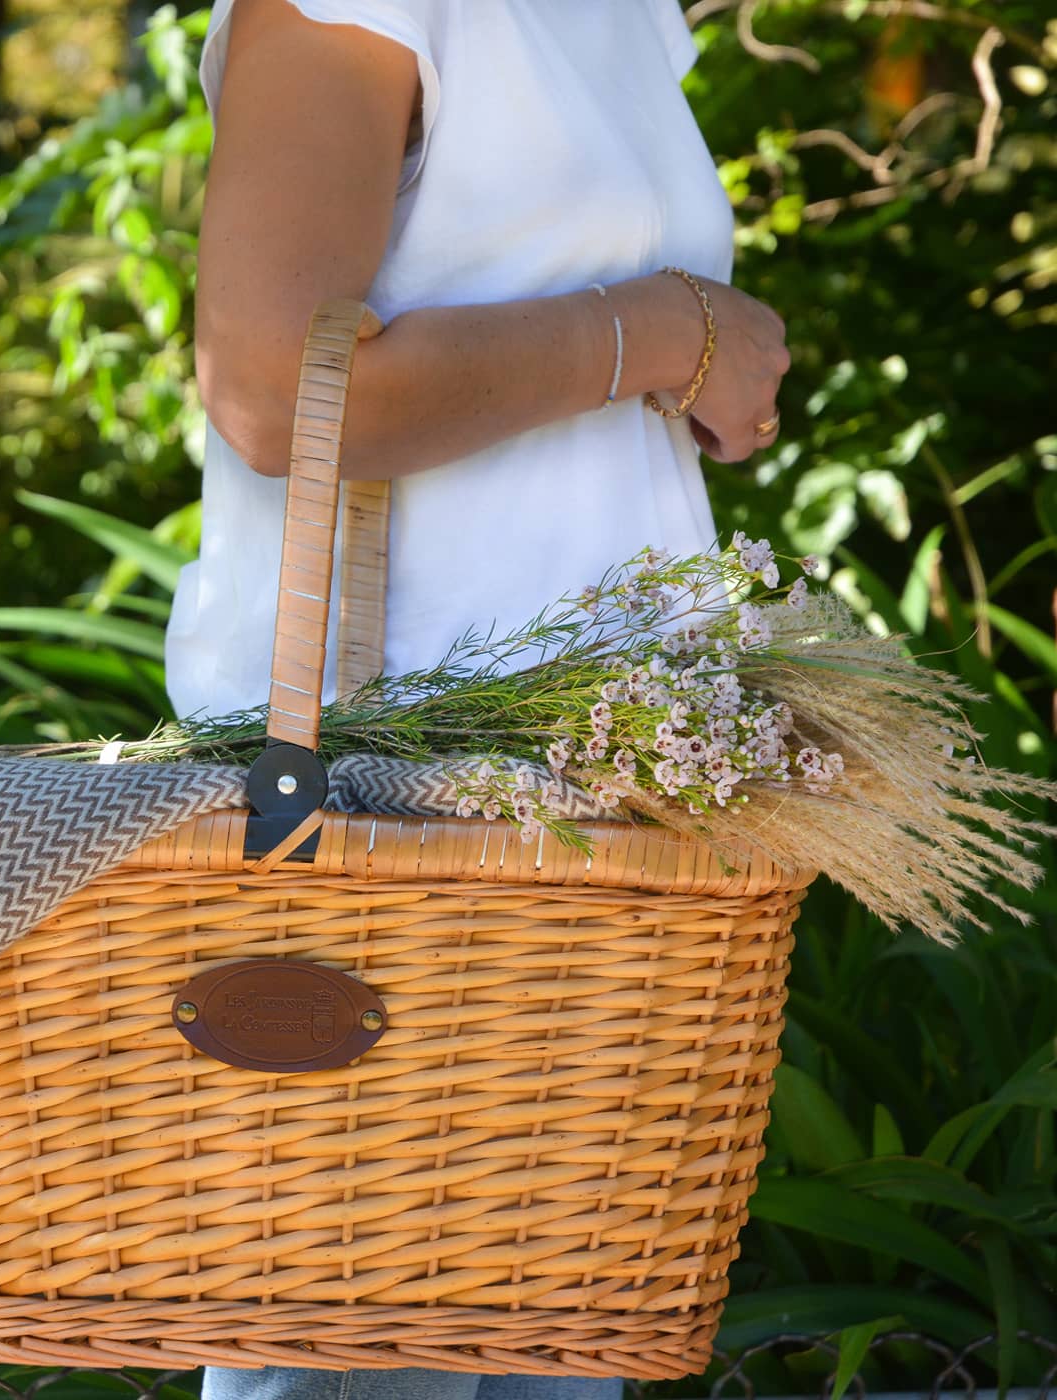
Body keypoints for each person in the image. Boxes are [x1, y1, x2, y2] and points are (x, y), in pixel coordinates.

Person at [162, 1, 793, 1396]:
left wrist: (677, 366)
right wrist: (659, 331)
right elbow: (273, 388)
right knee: (359, 1346)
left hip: (589, 835)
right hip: (402, 812)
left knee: (543, 1349)